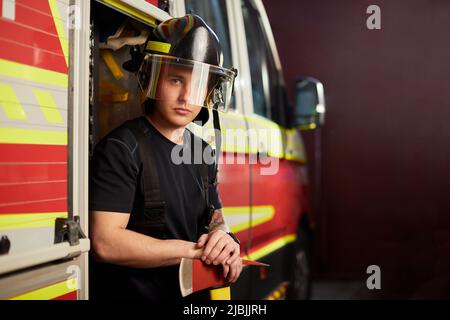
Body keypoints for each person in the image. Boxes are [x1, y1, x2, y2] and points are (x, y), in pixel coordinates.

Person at [89, 14, 241, 300]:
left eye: (197, 85)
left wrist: (225, 240)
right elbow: (105, 242)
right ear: (152, 79)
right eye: (175, 80)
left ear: (210, 92)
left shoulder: (202, 152)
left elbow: (214, 216)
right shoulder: (121, 149)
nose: (186, 96)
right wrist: (193, 252)